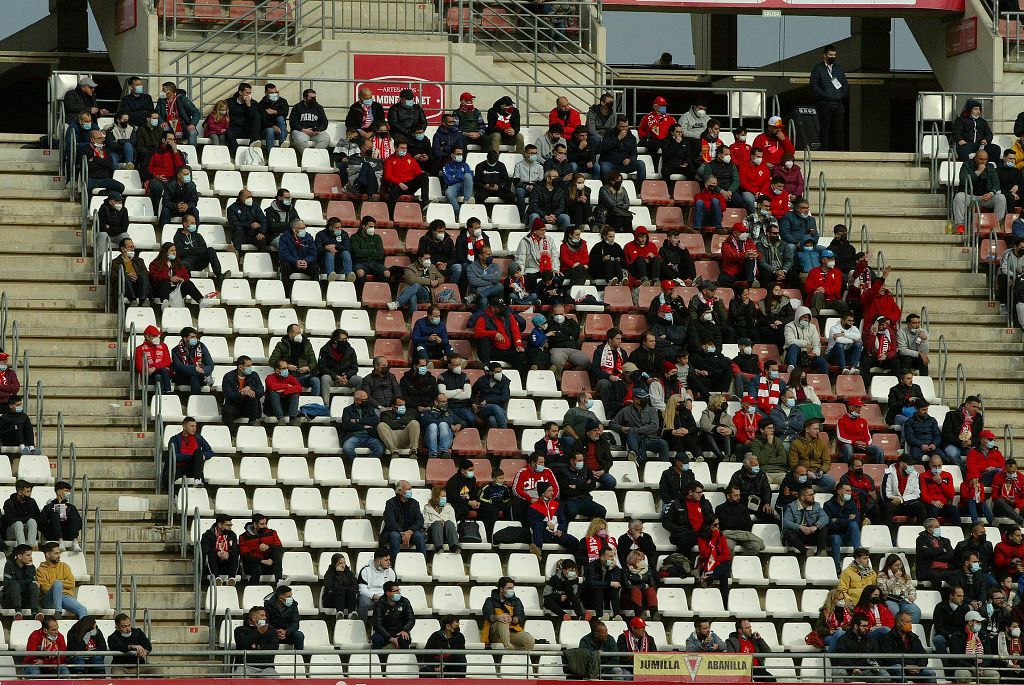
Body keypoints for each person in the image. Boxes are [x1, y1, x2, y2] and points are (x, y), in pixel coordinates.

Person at [609, 387, 669, 466]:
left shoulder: (652, 410)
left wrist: (636, 430)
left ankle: (663, 468)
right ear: (635, 399)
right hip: (635, 440)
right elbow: (612, 423)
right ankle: (635, 456)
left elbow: (654, 426)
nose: (645, 400)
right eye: (642, 398)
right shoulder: (626, 411)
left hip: (650, 439)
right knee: (631, 431)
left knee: (663, 443)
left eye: (646, 397)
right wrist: (621, 428)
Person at [954, 149, 1006, 234]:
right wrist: (978, 172)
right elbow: (964, 181)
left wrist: (991, 193)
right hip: (969, 196)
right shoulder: (966, 165)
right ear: (975, 158)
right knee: (959, 197)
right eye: (981, 159)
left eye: (985, 159)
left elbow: (996, 183)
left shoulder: (990, 167)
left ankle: (997, 224)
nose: (983, 161)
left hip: (985, 197)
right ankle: (960, 226)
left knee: (1001, 198)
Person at [809, 45, 848, 151]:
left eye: (834, 55)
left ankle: (840, 151)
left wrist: (841, 94)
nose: (833, 57)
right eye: (830, 55)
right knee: (825, 128)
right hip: (824, 103)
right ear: (825, 55)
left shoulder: (839, 68)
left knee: (838, 128)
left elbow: (844, 83)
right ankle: (825, 150)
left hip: (838, 103)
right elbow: (814, 85)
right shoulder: (818, 68)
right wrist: (824, 95)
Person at [36, 541, 88, 618]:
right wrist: (57, 585)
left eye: (59, 553)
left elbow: (72, 583)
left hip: (65, 596)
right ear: (48, 554)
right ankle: (58, 611)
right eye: (56, 553)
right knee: (57, 583)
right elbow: (44, 588)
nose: (59, 556)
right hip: (49, 599)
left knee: (82, 610)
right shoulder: (40, 570)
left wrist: (57, 584)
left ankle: (83, 629)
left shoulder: (64, 566)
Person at [950, 610, 1001, 684]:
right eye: (978, 622)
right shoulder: (957, 636)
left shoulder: (983, 635)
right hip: (963, 667)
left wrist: (981, 667)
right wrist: (972, 668)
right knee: (963, 676)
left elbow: (988, 655)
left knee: (994, 675)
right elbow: (956, 658)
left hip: (981, 667)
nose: (980, 625)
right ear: (970, 622)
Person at [483, 577, 535, 649]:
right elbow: (487, 615)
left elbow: (520, 616)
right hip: (496, 634)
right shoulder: (490, 600)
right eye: (509, 588)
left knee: (529, 640)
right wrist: (497, 617)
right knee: (503, 619)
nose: (511, 590)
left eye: (512, 588)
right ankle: (507, 646)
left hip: (512, 631)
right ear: (501, 589)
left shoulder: (516, 601)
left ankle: (518, 658)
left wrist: (511, 619)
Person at [148, 242, 206, 307]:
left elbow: (186, 276)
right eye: (171, 250)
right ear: (165, 252)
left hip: (175, 289)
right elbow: (154, 276)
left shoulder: (178, 264)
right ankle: (165, 303)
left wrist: (182, 279)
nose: (174, 252)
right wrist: (169, 278)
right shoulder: (155, 263)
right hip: (160, 290)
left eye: (175, 250)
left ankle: (201, 301)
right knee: (164, 282)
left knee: (188, 283)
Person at [382, 481, 427, 563]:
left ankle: (423, 563)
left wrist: (410, 531)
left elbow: (420, 520)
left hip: (411, 532)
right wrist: (402, 532)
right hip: (397, 532)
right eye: (408, 489)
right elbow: (389, 521)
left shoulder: (414, 503)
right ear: (400, 491)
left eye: (411, 488)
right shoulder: (390, 503)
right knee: (394, 536)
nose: (411, 491)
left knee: (419, 536)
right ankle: (394, 564)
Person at [788, 419, 836, 491]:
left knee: (830, 481)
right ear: (807, 430)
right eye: (815, 429)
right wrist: (806, 472)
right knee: (802, 481)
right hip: (802, 473)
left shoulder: (821, 443)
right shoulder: (795, 443)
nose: (818, 431)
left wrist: (822, 470)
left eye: (818, 429)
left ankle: (819, 498)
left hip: (817, 473)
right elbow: (793, 463)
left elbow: (826, 461)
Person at [317, 328, 361, 406]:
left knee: (358, 379)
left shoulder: (350, 350)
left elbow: (354, 367)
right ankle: (325, 406)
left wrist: (346, 376)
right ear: (335, 340)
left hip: (346, 378)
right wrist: (336, 376)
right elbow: (322, 367)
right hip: (332, 379)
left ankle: (357, 405)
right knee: (325, 378)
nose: (345, 342)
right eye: (343, 340)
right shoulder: (325, 350)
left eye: (346, 340)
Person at [782, 485, 829, 555]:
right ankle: (806, 552)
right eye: (810, 495)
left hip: (811, 533)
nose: (813, 497)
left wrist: (815, 526)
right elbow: (786, 522)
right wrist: (800, 527)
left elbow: (825, 518)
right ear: (802, 497)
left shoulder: (816, 505)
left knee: (823, 527)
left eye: (813, 494)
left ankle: (821, 552)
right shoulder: (791, 506)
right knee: (788, 532)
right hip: (798, 536)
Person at [165, 416, 212, 487]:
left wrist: (202, 456)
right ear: (184, 426)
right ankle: (174, 495)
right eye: (191, 426)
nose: (194, 429)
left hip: (193, 467)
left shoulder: (198, 438)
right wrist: (192, 457)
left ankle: (197, 481)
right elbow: (174, 456)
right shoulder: (174, 439)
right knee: (169, 476)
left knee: (198, 452)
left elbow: (209, 451)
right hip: (179, 467)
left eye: (195, 426)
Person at [239, 514, 284, 585]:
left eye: (265, 523)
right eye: (262, 524)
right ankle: (252, 589)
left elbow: (280, 548)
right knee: (257, 568)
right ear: (255, 525)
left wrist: (268, 547)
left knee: (276, 552)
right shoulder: (243, 537)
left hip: (269, 564)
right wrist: (262, 561)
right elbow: (245, 556)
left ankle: (279, 582)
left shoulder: (272, 533)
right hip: (253, 565)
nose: (265, 526)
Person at [233, 606, 279, 676]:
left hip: (267, 667)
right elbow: (243, 644)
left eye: (265, 615)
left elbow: (274, 648)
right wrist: (259, 632)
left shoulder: (272, 631)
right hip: (245, 666)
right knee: (238, 678)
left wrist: (257, 647)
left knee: (275, 681)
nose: (265, 618)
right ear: (254, 618)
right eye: (262, 615)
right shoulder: (240, 630)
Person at [340, 389, 384, 461]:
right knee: (347, 448)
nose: (367, 401)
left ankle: (366, 464)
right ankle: (357, 464)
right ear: (357, 400)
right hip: (354, 435)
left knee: (380, 449)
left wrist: (358, 420)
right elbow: (347, 425)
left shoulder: (370, 408)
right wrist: (363, 426)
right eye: (364, 400)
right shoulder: (347, 410)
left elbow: (375, 421)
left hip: (370, 435)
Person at [696, 516, 732, 602]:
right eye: (715, 525)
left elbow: (727, 556)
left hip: (718, 565)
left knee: (726, 566)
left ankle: (709, 579)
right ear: (708, 525)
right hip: (707, 566)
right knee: (725, 571)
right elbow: (705, 555)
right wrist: (713, 538)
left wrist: (714, 560)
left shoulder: (721, 536)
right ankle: (725, 603)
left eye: (718, 524)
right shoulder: (701, 538)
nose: (717, 527)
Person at [834, 614, 882, 679]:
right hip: (849, 672)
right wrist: (853, 668)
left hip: (866, 671)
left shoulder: (870, 640)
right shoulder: (843, 639)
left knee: (884, 674)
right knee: (837, 672)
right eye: (864, 626)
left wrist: (875, 665)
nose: (867, 628)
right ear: (856, 626)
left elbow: (877, 656)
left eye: (867, 626)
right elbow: (840, 658)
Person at [599, 115, 646, 181]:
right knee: (604, 167)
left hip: (624, 165)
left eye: (626, 126)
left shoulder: (631, 137)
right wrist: (618, 138)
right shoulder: (609, 133)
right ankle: (607, 188)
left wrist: (629, 159)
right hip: (611, 163)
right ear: (617, 125)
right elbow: (604, 148)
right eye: (622, 127)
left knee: (640, 164)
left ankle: (641, 188)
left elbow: (634, 154)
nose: (625, 129)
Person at [222, 356, 264, 426]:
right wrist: (241, 393)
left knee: (251, 395)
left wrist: (250, 388)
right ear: (240, 367)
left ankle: (253, 422)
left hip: (249, 406)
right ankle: (230, 433)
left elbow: (261, 392)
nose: (250, 368)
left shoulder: (254, 375)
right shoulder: (228, 377)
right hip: (235, 405)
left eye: (251, 366)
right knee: (227, 410)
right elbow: (229, 395)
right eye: (248, 366)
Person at [356, 549, 396, 621]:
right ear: (378, 561)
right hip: (369, 598)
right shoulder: (365, 570)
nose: (389, 562)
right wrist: (374, 596)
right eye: (386, 560)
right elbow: (362, 590)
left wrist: (384, 597)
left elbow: (394, 590)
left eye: (389, 560)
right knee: (362, 601)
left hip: (385, 598)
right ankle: (361, 627)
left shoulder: (391, 572)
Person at [916, 517, 959, 585]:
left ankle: (954, 595)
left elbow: (951, 555)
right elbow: (926, 553)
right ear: (929, 529)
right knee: (936, 576)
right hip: (929, 570)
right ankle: (937, 595)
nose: (939, 528)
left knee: (958, 575)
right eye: (937, 527)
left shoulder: (945, 541)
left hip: (946, 568)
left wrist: (933, 555)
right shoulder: (921, 539)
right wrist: (942, 550)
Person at [3, 544, 41, 619]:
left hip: (25, 599)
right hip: (10, 600)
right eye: (28, 555)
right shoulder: (9, 564)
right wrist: (28, 582)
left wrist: (29, 568)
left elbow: (33, 583)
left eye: (31, 555)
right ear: (20, 556)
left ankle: (35, 612)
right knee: (15, 585)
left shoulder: (31, 567)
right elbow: (7, 584)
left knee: (33, 586)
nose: (31, 557)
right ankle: (18, 612)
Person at [263, 584, 304, 653]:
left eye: (291, 596)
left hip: (287, 633)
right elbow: (266, 622)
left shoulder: (293, 605)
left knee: (299, 635)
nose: (291, 598)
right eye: (289, 596)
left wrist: (285, 631)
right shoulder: (268, 605)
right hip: (273, 633)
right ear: (280, 598)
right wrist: (276, 631)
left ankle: (300, 658)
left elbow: (295, 623)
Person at [921, 453, 959, 523]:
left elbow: (951, 494)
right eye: (934, 466)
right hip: (930, 504)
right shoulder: (923, 476)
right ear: (930, 465)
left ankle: (957, 531)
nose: (937, 468)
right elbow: (923, 494)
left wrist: (940, 483)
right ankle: (932, 532)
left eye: (939, 466)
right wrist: (933, 502)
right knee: (933, 510)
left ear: (942, 464)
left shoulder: (947, 475)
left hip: (943, 504)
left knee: (954, 510)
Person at [200, 514, 239, 582]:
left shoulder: (232, 535)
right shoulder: (207, 536)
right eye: (227, 525)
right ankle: (216, 578)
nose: (230, 528)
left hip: (227, 563)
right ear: (220, 525)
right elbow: (204, 550)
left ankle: (231, 578)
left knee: (235, 550)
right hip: (213, 563)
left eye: (231, 525)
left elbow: (234, 548)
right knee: (211, 552)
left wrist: (228, 553)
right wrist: (217, 553)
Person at [2, 479, 39, 547]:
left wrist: (24, 519)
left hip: (27, 530)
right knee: (18, 524)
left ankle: (30, 547)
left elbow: (37, 517)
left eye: (30, 491)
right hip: (12, 531)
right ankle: (22, 548)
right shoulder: (9, 503)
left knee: (32, 521)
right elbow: (10, 520)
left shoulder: (32, 502)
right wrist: (26, 518)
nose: (29, 494)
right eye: (27, 492)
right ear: (20, 492)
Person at [264, 358, 302, 424]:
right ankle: (280, 419)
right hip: (271, 408)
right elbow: (272, 386)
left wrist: (284, 391)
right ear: (277, 370)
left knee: (295, 394)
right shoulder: (269, 378)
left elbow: (299, 388)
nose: (286, 370)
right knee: (274, 394)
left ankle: (292, 418)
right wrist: (287, 386)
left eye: (287, 368)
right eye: (284, 368)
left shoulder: (290, 378)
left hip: (285, 407)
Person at [992, 460, 1024, 524]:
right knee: (999, 501)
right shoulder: (998, 476)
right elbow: (994, 496)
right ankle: (1021, 521)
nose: (1011, 474)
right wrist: (1005, 498)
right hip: (1001, 507)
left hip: (1015, 505)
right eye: (1009, 472)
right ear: (1005, 469)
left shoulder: (1021, 477)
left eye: (1013, 472)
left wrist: (1018, 506)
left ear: (1016, 469)